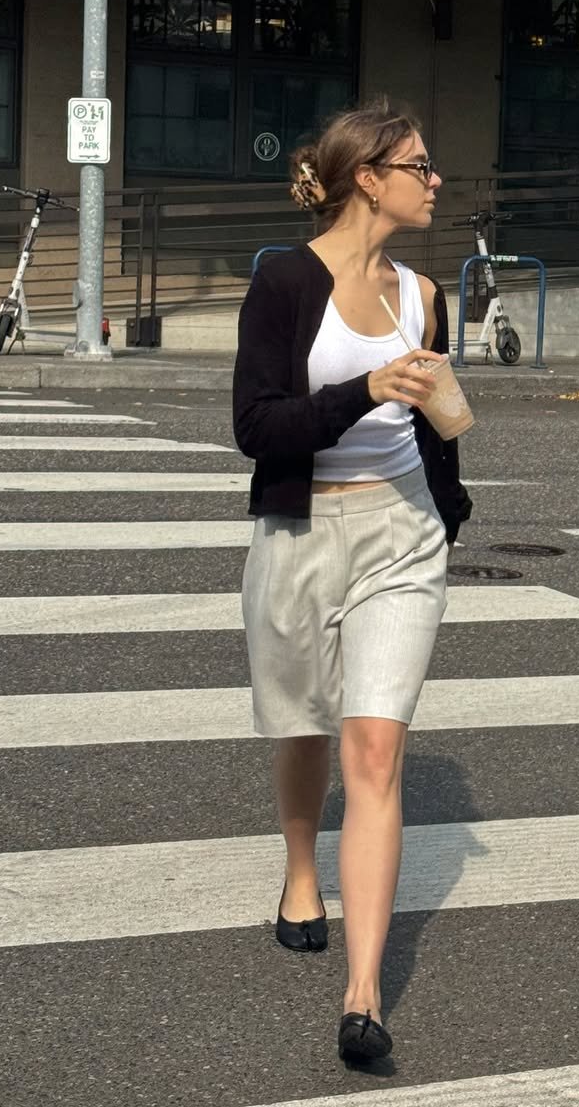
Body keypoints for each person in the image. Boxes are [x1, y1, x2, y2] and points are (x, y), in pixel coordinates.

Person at [232, 101, 472, 1065]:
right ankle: (302, 870)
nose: (435, 180)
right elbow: (258, 427)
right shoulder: (284, 282)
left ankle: (364, 995)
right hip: (300, 531)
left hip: (402, 536)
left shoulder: (426, 294)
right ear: (369, 178)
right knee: (302, 726)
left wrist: (448, 506)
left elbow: (436, 421)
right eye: (420, 165)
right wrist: (364, 390)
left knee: (374, 751)